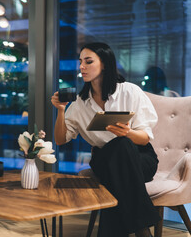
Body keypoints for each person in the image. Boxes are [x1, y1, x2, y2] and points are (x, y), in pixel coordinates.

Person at [51, 42, 160, 237]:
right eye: (80, 62)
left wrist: (127, 133)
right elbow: (60, 140)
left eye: (88, 61)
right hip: (104, 160)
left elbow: (143, 139)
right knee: (117, 152)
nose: (82, 67)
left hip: (140, 159)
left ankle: (137, 229)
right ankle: (142, 229)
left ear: (105, 64)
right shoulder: (79, 104)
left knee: (122, 146)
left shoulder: (130, 91)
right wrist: (61, 110)